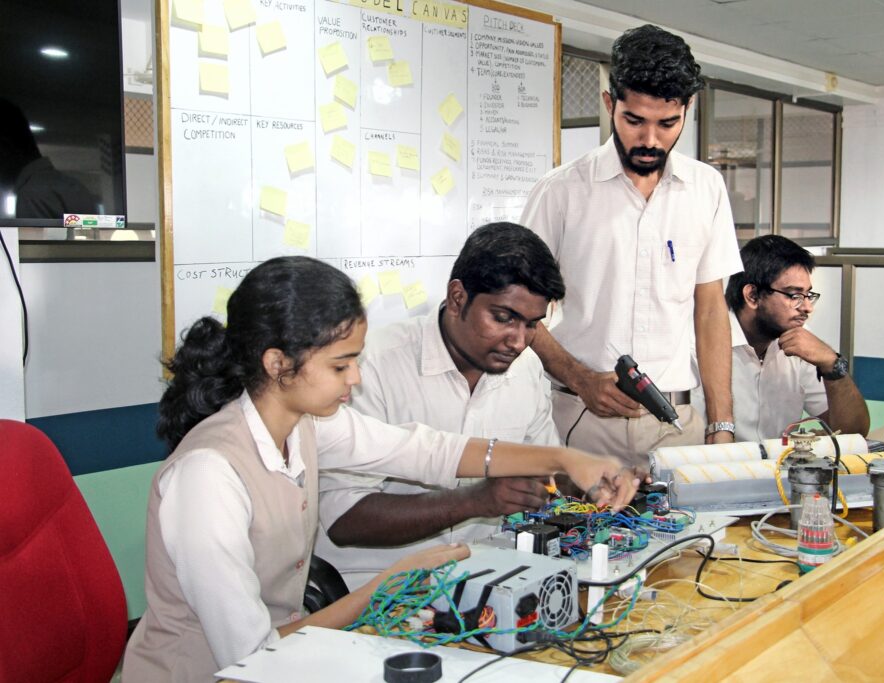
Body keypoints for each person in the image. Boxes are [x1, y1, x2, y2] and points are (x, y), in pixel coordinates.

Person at [122, 256, 640, 682]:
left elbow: (429, 451)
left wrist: (567, 458)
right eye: (341, 365)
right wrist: (389, 584)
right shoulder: (209, 476)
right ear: (278, 364)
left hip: (290, 658)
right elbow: (251, 653)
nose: (357, 379)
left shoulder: (305, 425)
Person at [520, 24, 742, 464]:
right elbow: (517, 312)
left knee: (694, 535)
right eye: (634, 120)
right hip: (580, 419)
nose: (650, 140)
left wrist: (722, 423)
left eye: (668, 123)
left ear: (688, 109)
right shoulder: (560, 191)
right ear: (609, 104)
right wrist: (580, 378)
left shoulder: (707, 188)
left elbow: (711, 308)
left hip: (678, 423)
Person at [315, 222, 564, 589]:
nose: (518, 341)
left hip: (484, 580)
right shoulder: (372, 367)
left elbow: (548, 469)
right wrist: (475, 501)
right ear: (458, 297)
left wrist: (594, 481)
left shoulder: (524, 370)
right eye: (503, 318)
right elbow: (343, 518)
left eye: (532, 326)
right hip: (374, 589)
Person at [693, 235, 870, 442]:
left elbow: (853, 431)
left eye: (808, 295)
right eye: (794, 295)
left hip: (776, 471)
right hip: (715, 468)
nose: (807, 307)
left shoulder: (800, 344)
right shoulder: (695, 345)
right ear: (752, 296)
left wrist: (832, 364)